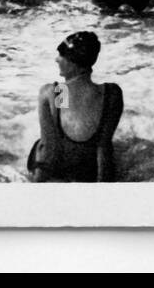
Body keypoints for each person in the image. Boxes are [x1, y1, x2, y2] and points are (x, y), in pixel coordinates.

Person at [27, 31, 124, 183]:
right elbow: (103, 149)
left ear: (72, 62)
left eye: (61, 55)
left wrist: (36, 187)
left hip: (61, 172)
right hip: (90, 172)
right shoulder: (111, 93)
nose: (56, 59)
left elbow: (49, 148)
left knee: (40, 145)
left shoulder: (58, 91)